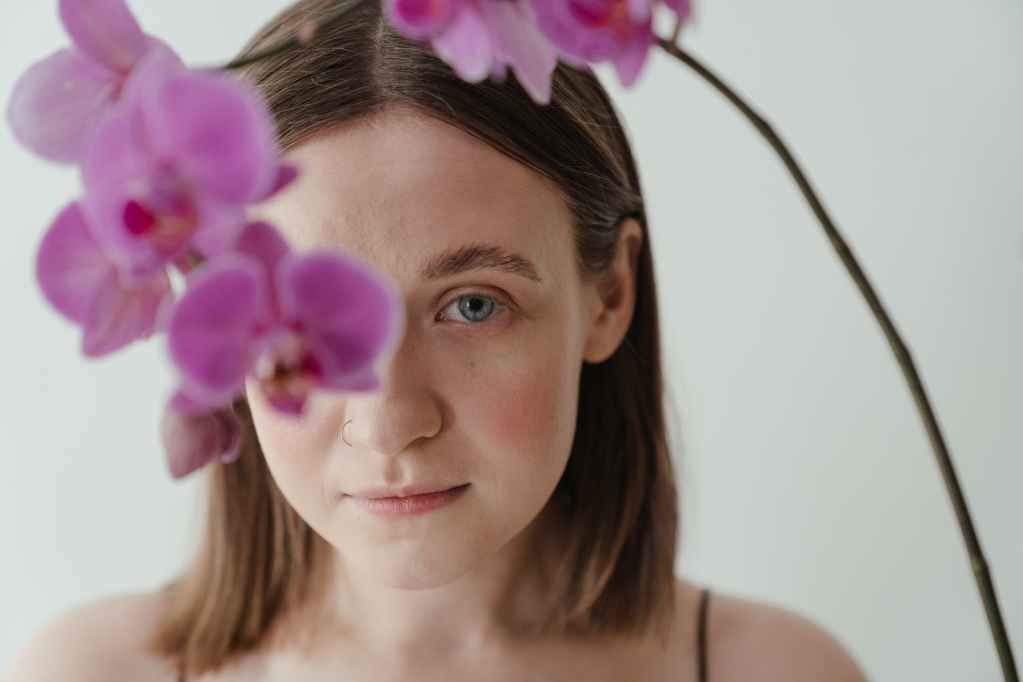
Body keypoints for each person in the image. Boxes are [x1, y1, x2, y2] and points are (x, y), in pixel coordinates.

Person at [6, 1, 868, 680]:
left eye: (472, 306)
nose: (388, 420)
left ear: (609, 294)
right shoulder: (88, 675)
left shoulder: (778, 673)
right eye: (313, 315)